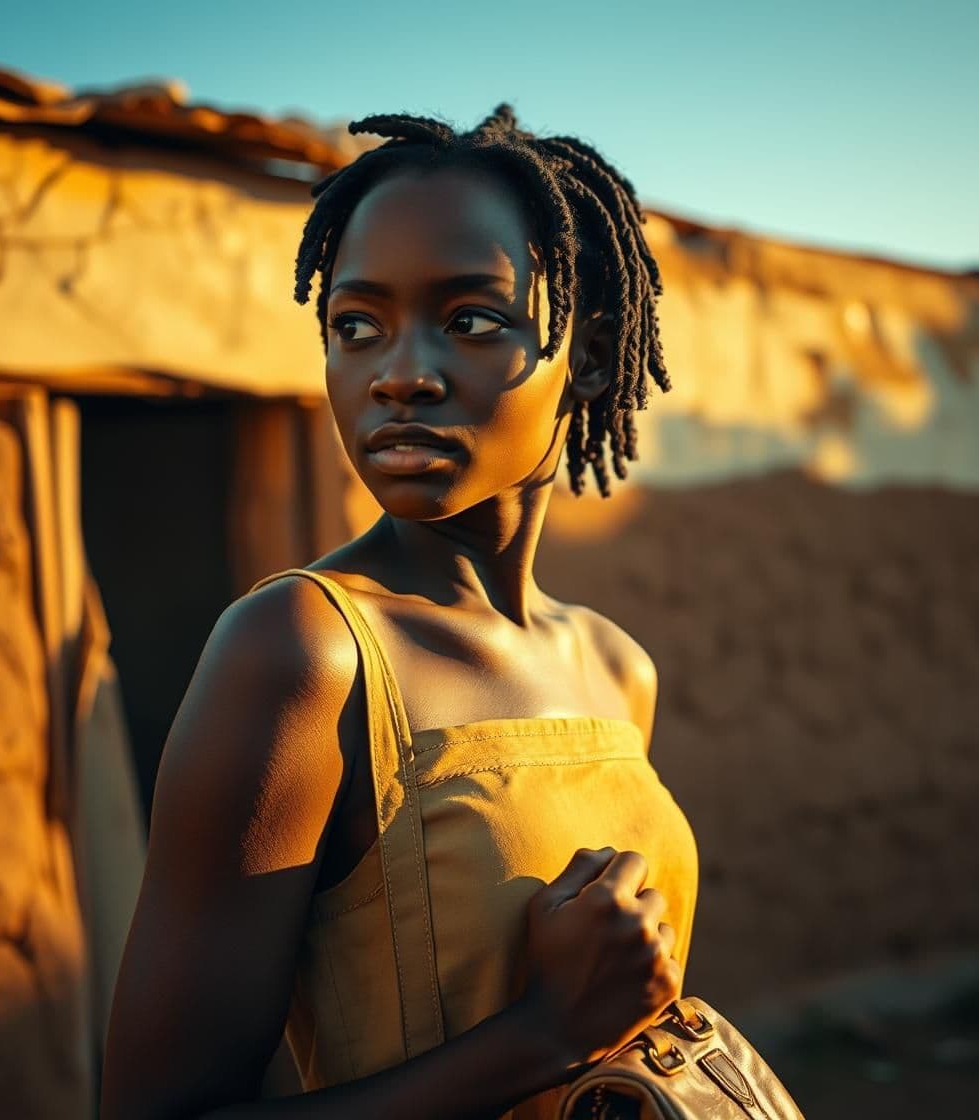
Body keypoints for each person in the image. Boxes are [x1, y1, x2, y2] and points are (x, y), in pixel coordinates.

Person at [100, 105, 699, 1120]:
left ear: (589, 357)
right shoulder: (303, 652)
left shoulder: (611, 667)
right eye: (354, 326)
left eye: (469, 319)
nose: (399, 374)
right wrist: (543, 1035)